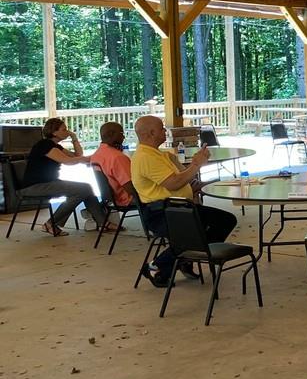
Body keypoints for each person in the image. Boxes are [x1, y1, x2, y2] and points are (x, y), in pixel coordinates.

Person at [130, 115, 237, 287]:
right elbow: (174, 184)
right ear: (151, 133)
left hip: (179, 208)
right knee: (205, 231)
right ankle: (160, 265)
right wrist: (196, 165)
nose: (165, 131)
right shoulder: (146, 157)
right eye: (161, 128)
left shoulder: (159, 154)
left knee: (225, 220)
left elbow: (186, 182)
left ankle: (184, 259)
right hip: (162, 213)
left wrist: (220, 183)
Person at [21, 117, 114, 237]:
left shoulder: (54, 146)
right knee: (84, 189)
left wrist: (74, 138)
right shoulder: (44, 145)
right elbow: (68, 161)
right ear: (54, 132)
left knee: (86, 188)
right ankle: (51, 223)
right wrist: (86, 159)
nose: (67, 131)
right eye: (64, 129)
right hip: (35, 186)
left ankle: (103, 223)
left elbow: (77, 155)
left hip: (49, 183)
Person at [89, 121, 135, 210]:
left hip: (111, 198)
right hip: (127, 199)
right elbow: (130, 187)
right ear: (111, 134)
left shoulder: (97, 155)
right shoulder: (117, 157)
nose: (123, 137)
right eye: (121, 133)